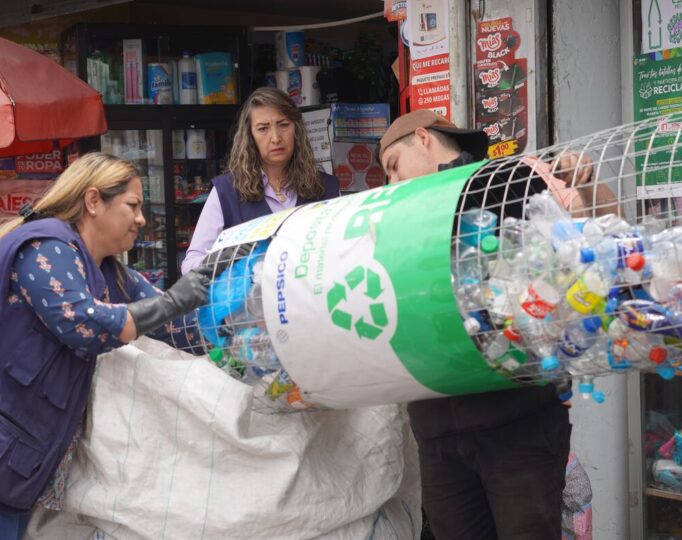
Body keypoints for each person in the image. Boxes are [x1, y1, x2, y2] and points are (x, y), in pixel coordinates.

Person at [0, 153, 237, 539]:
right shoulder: (45, 248)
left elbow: (175, 326)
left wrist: (241, 332)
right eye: (132, 206)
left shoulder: (109, 272)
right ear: (93, 202)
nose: (141, 219)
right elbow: (83, 322)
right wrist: (176, 300)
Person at [378, 110, 617, 540]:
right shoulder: (392, 217)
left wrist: (585, 179)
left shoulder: (505, 180)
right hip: (437, 432)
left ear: (423, 139)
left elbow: (607, 237)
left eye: (394, 167)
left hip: (516, 424)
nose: (392, 184)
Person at [181, 87, 339, 273]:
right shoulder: (226, 191)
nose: (275, 138)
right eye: (263, 128)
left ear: (297, 129)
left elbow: (340, 254)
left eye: (283, 125)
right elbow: (190, 264)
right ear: (250, 137)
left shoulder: (327, 188)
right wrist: (223, 260)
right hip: (250, 301)